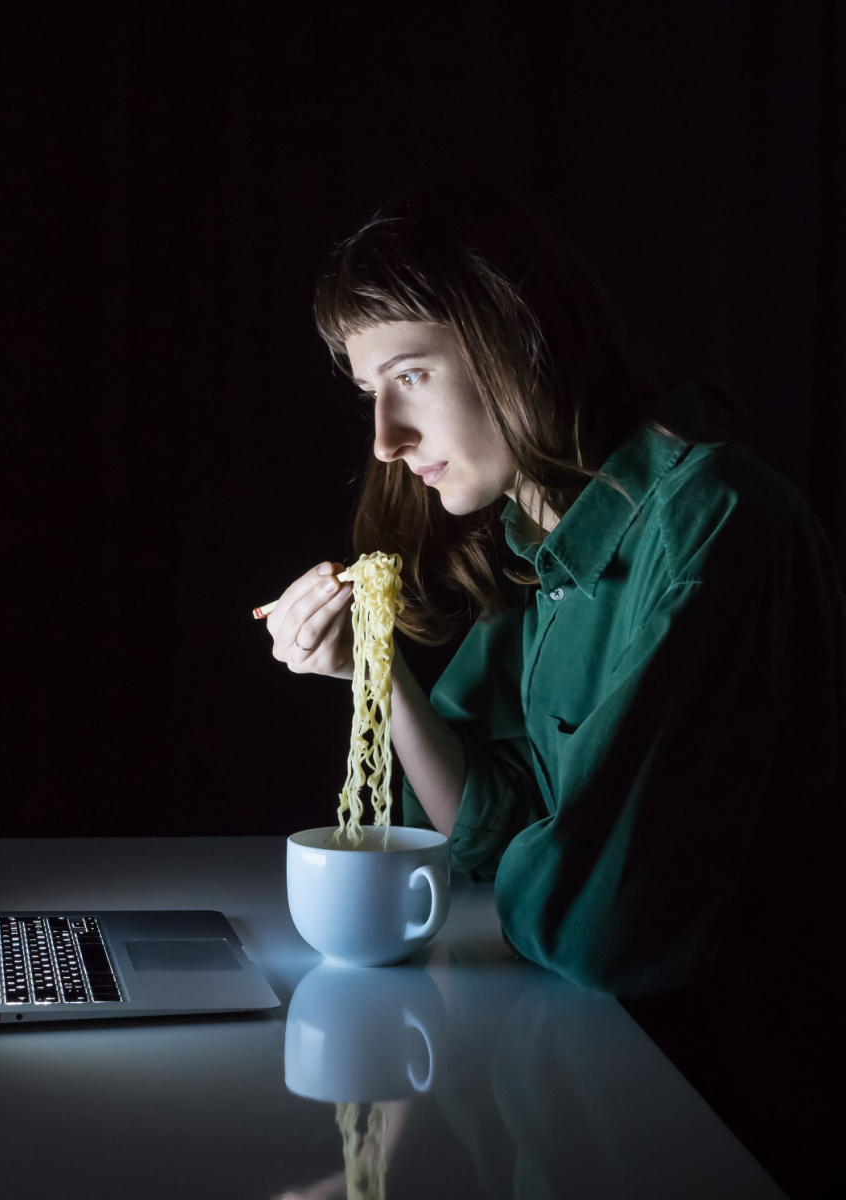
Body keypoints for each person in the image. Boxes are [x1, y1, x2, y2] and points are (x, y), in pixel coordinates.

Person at [264, 183, 844, 1194]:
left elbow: (598, 926)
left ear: (515, 336)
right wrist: (381, 672)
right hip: (583, 1092)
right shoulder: (539, 540)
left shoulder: (712, 526)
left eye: (413, 375)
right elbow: (478, 837)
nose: (387, 440)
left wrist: (544, 856)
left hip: (713, 1125)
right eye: (370, 394)